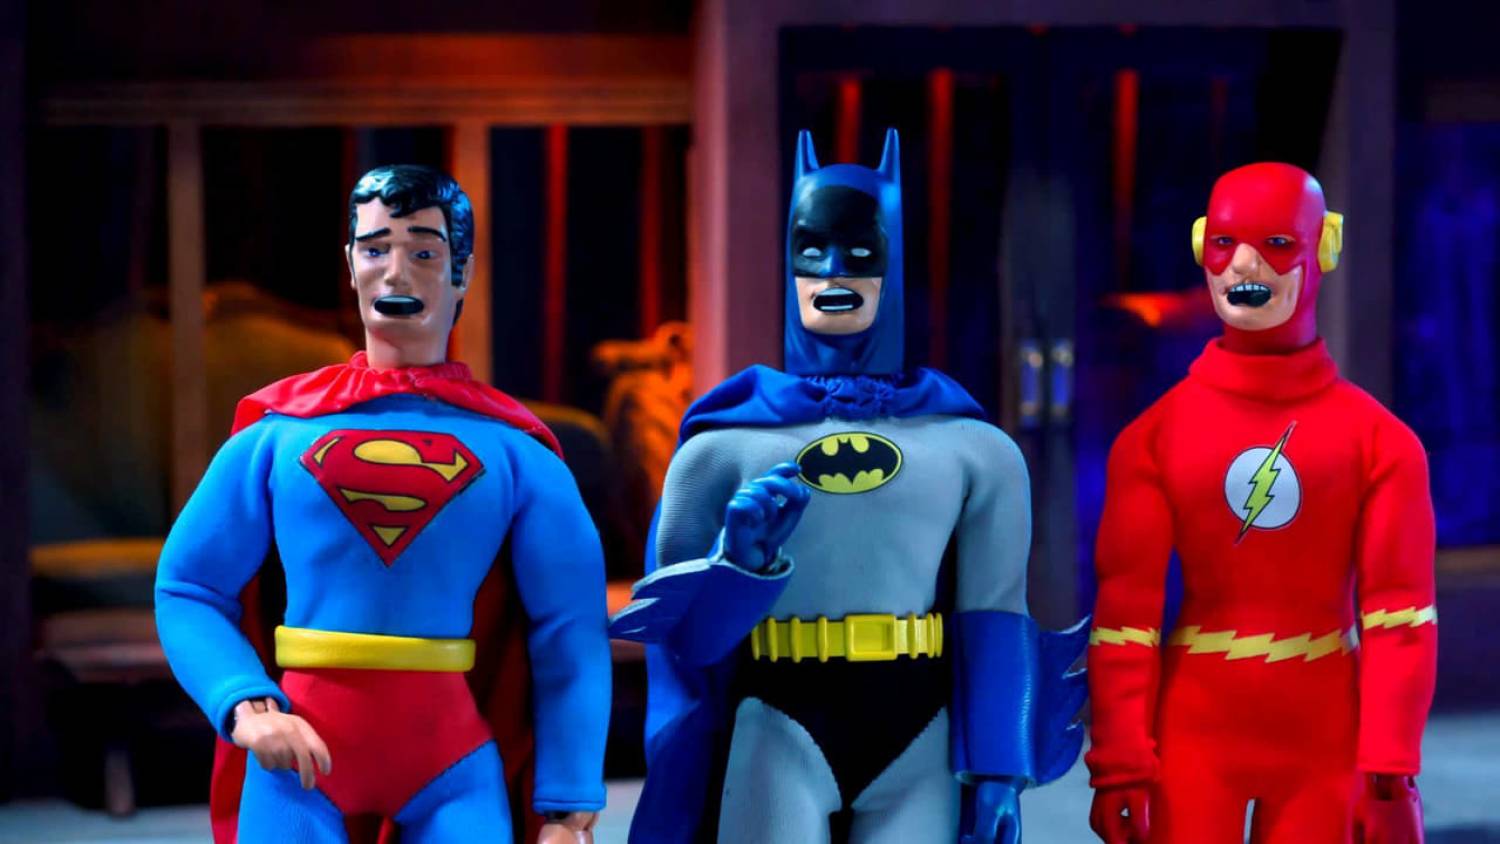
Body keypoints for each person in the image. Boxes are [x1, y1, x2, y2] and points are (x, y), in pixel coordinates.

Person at [611, 130, 1086, 844]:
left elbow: (993, 614)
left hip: (917, 726)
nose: (834, 271)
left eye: (860, 254)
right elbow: (686, 649)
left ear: (893, 265)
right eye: (813, 251)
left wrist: (998, 769)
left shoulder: (972, 449)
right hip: (779, 716)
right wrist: (738, 566)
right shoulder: (723, 448)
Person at [155, 165, 611, 844]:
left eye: (423, 252)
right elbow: (188, 586)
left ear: (461, 271)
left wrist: (568, 807)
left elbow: (570, 628)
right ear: (350, 264)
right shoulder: (278, 436)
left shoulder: (518, 454)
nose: (396, 273)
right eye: (376, 250)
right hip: (301, 757)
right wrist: (245, 703)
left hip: (450, 761)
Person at [1087, 162, 1436, 844]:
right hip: (1195, 733)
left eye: (1276, 243)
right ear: (1201, 246)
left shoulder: (1381, 444)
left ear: (1323, 247)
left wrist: (1390, 770)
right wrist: (1120, 761)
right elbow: (1126, 616)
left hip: (1325, 739)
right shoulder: (1152, 439)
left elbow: (1400, 615)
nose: (1244, 265)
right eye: (1224, 243)